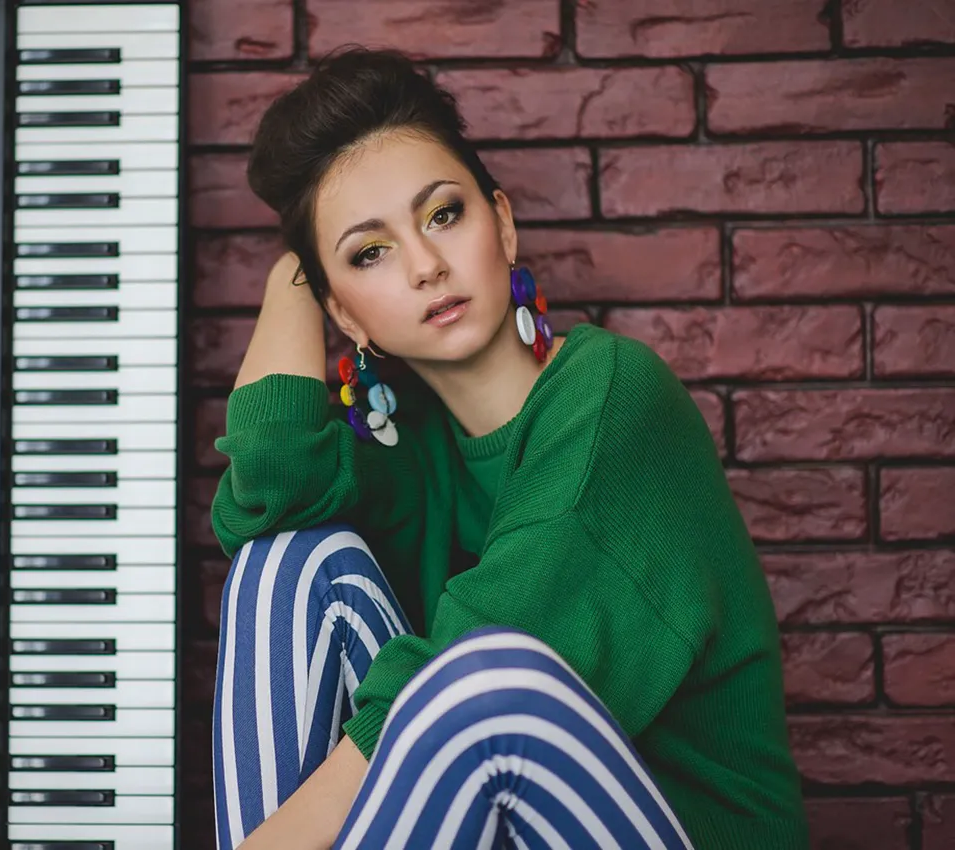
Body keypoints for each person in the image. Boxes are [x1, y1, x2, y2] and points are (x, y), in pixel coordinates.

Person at [208, 46, 809, 849]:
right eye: (370, 252)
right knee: (287, 565)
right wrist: (297, 271)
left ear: (504, 222)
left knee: (486, 686)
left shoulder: (613, 396)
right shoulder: (413, 443)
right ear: (344, 314)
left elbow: (477, 670)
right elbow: (269, 491)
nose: (424, 265)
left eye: (443, 214)